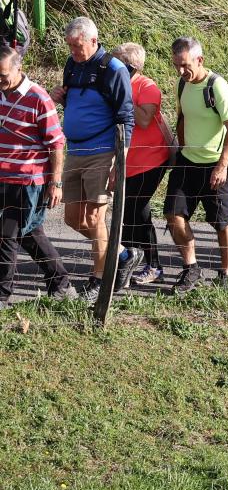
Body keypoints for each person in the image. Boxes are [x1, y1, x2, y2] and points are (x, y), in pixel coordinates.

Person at [54, 16, 134, 304]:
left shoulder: (113, 68)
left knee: (95, 219)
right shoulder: (72, 64)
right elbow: (79, 103)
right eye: (70, 46)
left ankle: (99, 281)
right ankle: (123, 254)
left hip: (103, 152)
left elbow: (126, 117)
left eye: (77, 46)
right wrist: (61, 98)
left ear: (93, 41)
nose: (73, 51)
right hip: (75, 151)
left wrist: (119, 161)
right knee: (73, 218)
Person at [163, 36, 228, 295]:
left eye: (185, 65)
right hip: (188, 161)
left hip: (217, 163)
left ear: (200, 60)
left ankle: (226, 275)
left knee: (221, 222)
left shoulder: (216, 86)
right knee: (173, 215)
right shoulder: (182, 85)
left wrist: (222, 165)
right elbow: (182, 117)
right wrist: (183, 148)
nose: (181, 71)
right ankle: (191, 269)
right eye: (176, 65)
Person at [0, 45, 77, 305]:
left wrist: (55, 183)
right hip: (2, 176)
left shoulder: (38, 98)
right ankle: (61, 281)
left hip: (27, 180)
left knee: (7, 235)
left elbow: (56, 144)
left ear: (18, 68)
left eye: (3, 75)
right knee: (30, 232)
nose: (0, 81)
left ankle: (2, 293)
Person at [111, 43, 175, 289]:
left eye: (118, 64)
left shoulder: (147, 87)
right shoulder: (117, 84)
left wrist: (124, 91)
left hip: (152, 160)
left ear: (130, 67)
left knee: (139, 211)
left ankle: (154, 266)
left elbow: (145, 120)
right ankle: (126, 260)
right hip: (127, 161)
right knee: (127, 212)